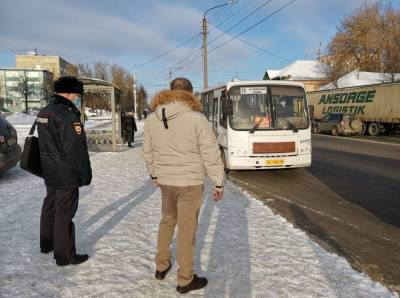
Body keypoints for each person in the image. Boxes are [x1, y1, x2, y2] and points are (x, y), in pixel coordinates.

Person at [143, 77, 225, 294]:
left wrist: (154, 175)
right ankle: (185, 279)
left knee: (167, 221)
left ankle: (161, 267)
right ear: (190, 93)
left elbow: (148, 150)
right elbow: (210, 152)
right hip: (190, 183)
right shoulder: (197, 119)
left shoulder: (152, 119)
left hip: (166, 182)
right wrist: (218, 181)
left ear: (170, 92)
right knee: (187, 231)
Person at [36, 76, 92, 266]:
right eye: (77, 94)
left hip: (49, 168)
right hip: (66, 172)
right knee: (64, 212)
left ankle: (47, 243)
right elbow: (76, 149)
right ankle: (65, 254)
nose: (77, 98)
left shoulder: (45, 111)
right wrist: (85, 173)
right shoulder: (68, 115)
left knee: (50, 205)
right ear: (68, 93)